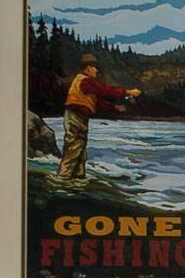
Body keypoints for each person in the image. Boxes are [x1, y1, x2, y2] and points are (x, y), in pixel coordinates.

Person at [56, 54, 140, 184]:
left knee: (80, 148)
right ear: (88, 68)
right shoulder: (85, 80)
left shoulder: (85, 83)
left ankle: (78, 177)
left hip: (79, 117)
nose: (97, 71)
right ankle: (63, 178)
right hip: (75, 116)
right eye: (95, 68)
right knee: (74, 147)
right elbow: (104, 90)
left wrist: (114, 107)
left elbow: (97, 101)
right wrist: (127, 92)